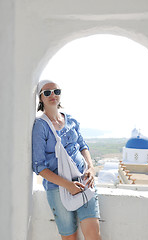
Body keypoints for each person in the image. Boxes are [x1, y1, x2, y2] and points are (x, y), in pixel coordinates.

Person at [32, 80, 101, 240]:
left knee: (94, 236)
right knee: (70, 238)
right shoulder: (40, 126)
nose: (53, 95)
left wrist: (90, 168)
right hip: (57, 188)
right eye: (47, 92)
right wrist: (68, 185)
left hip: (84, 181)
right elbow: (39, 167)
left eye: (56, 91)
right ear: (41, 98)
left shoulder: (71, 120)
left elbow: (83, 146)